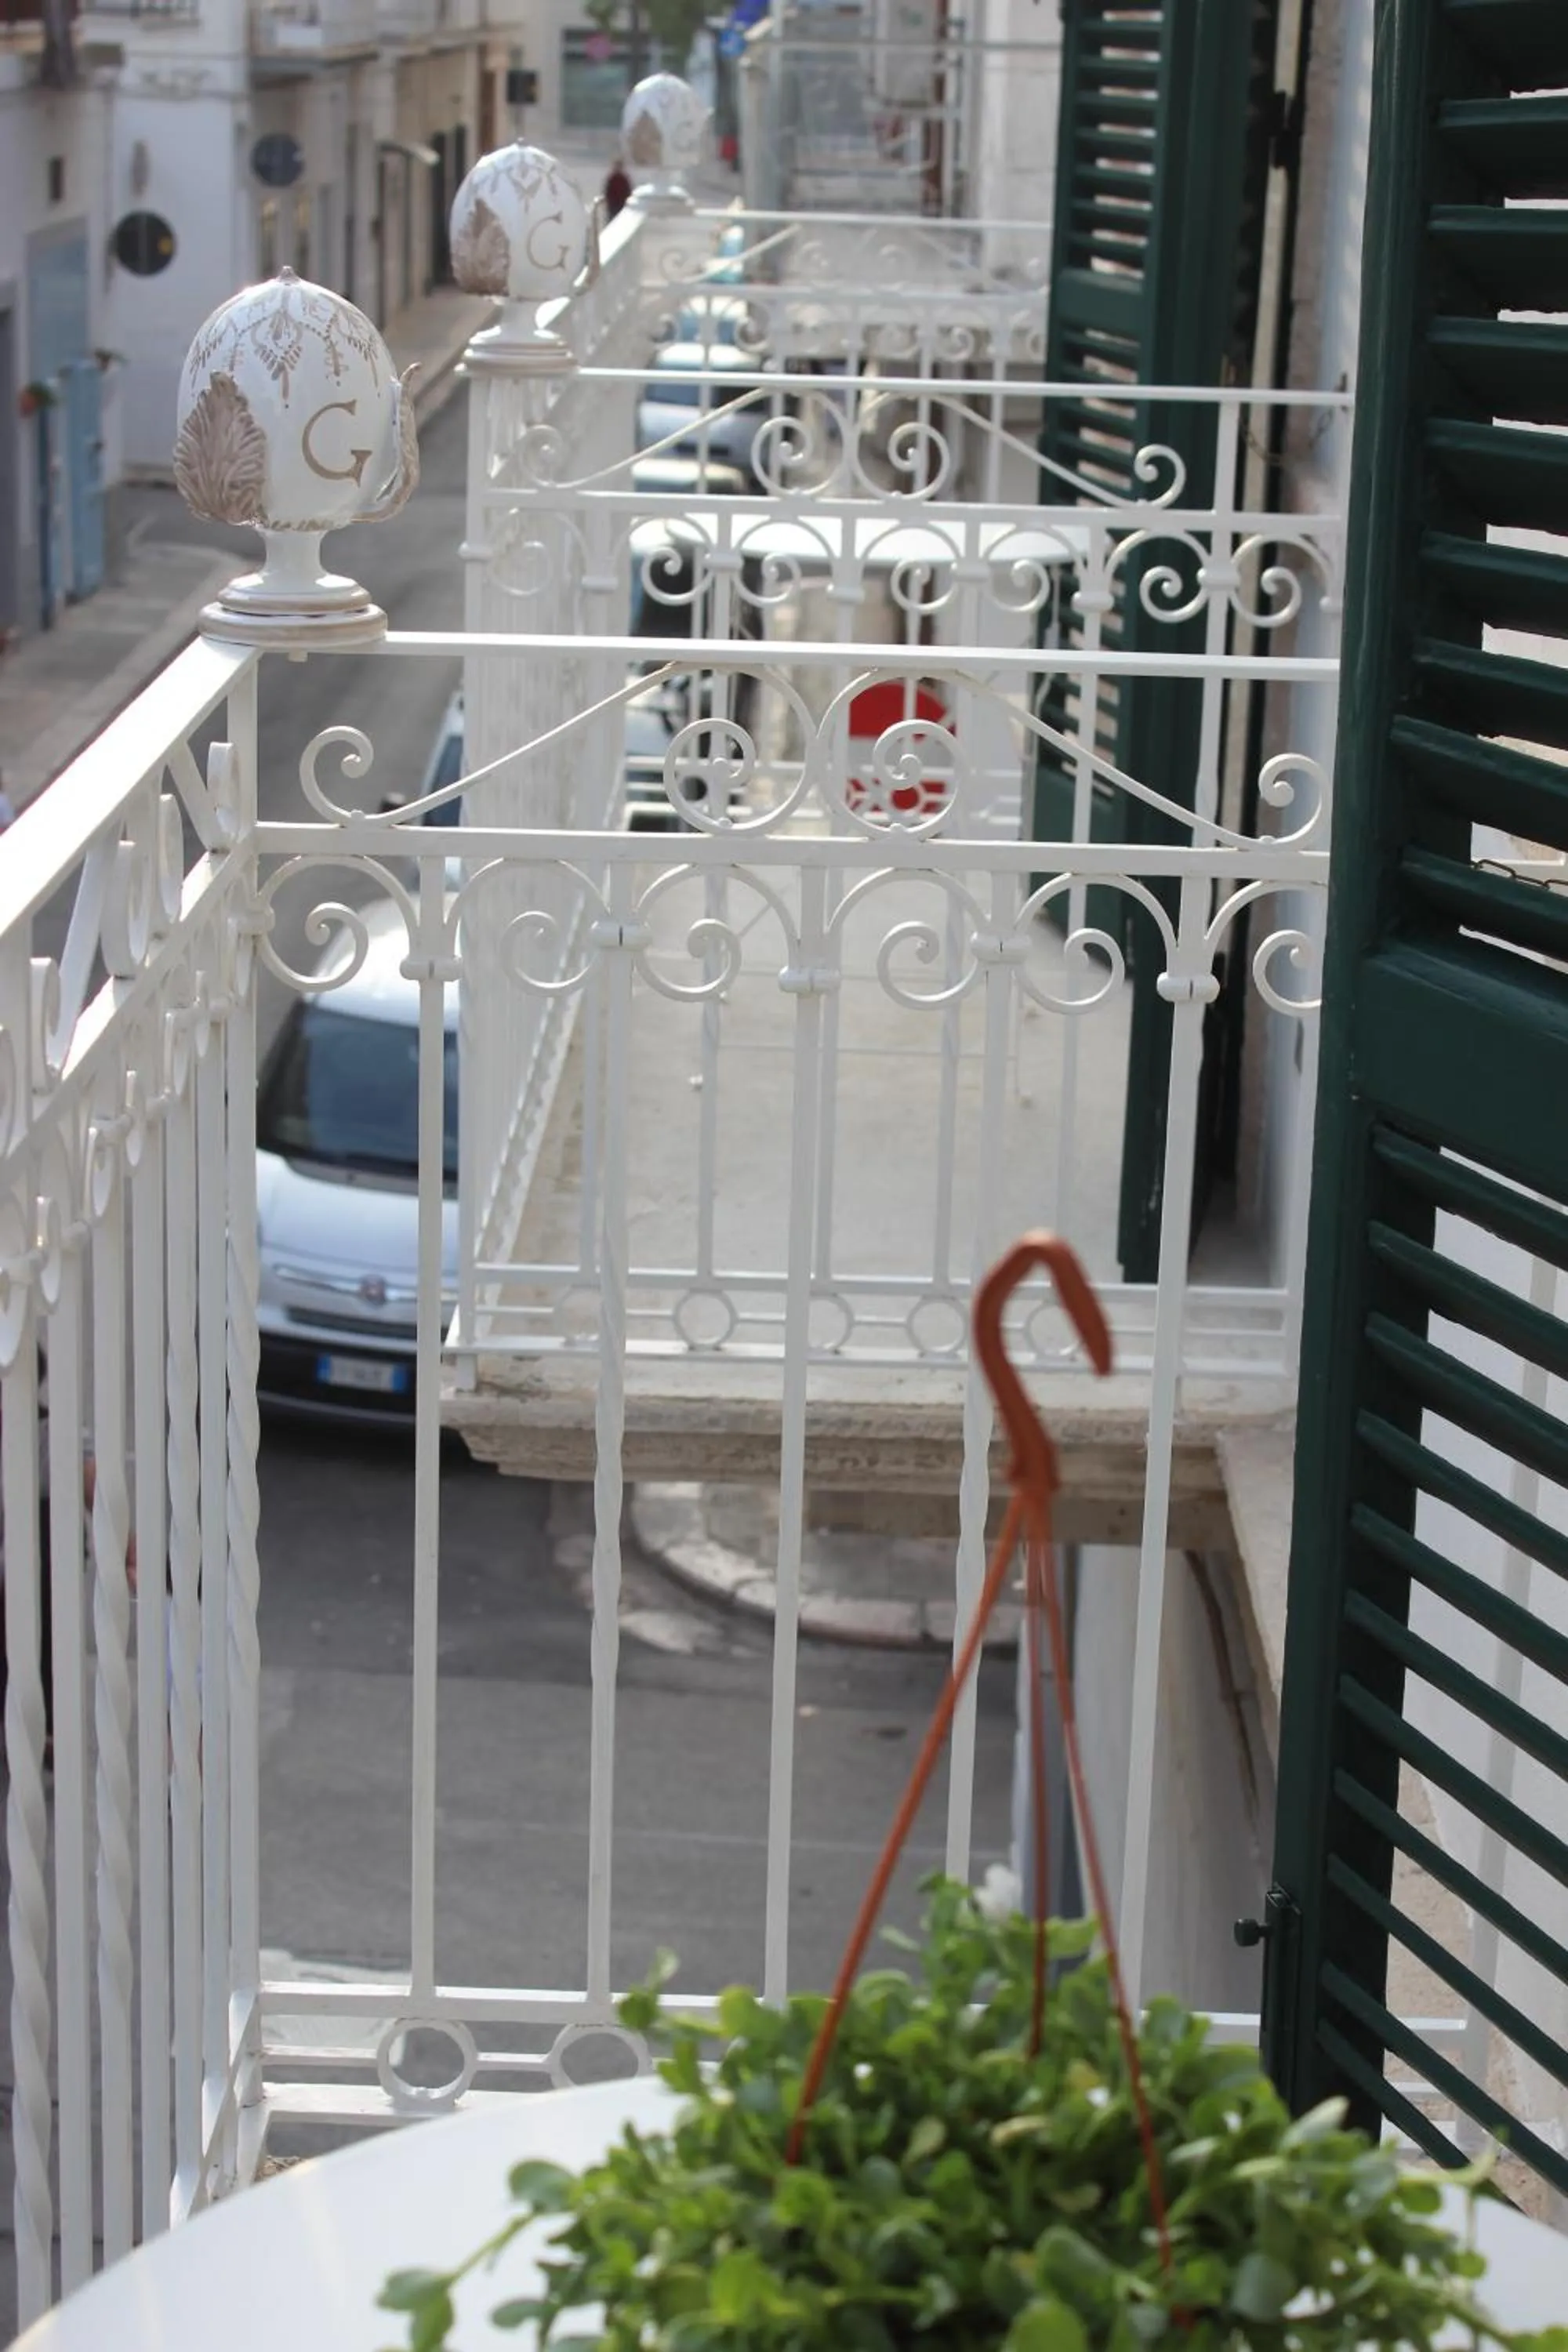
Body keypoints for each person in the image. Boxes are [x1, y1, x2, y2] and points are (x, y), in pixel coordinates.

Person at [604, 156, 632, 220]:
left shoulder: (620, 179)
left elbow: (608, 193)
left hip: (618, 207)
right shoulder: (619, 179)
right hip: (616, 207)